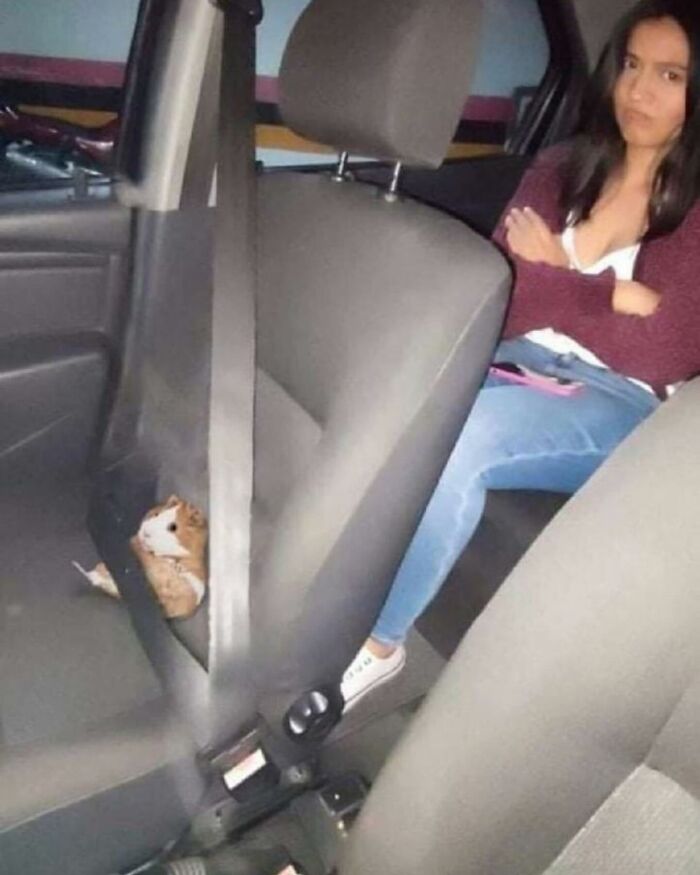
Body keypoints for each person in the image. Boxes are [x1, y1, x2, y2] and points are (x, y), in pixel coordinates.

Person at [341, 0, 700, 710]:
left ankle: (377, 646)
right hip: (514, 354)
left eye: (670, 75)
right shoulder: (562, 165)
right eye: (630, 65)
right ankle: (316, 582)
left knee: (469, 436)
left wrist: (559, 277)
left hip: (622, 402)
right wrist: (614, 298)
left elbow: (664, 352)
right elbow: (505, 293)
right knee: (392, 392)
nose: (638, 91)